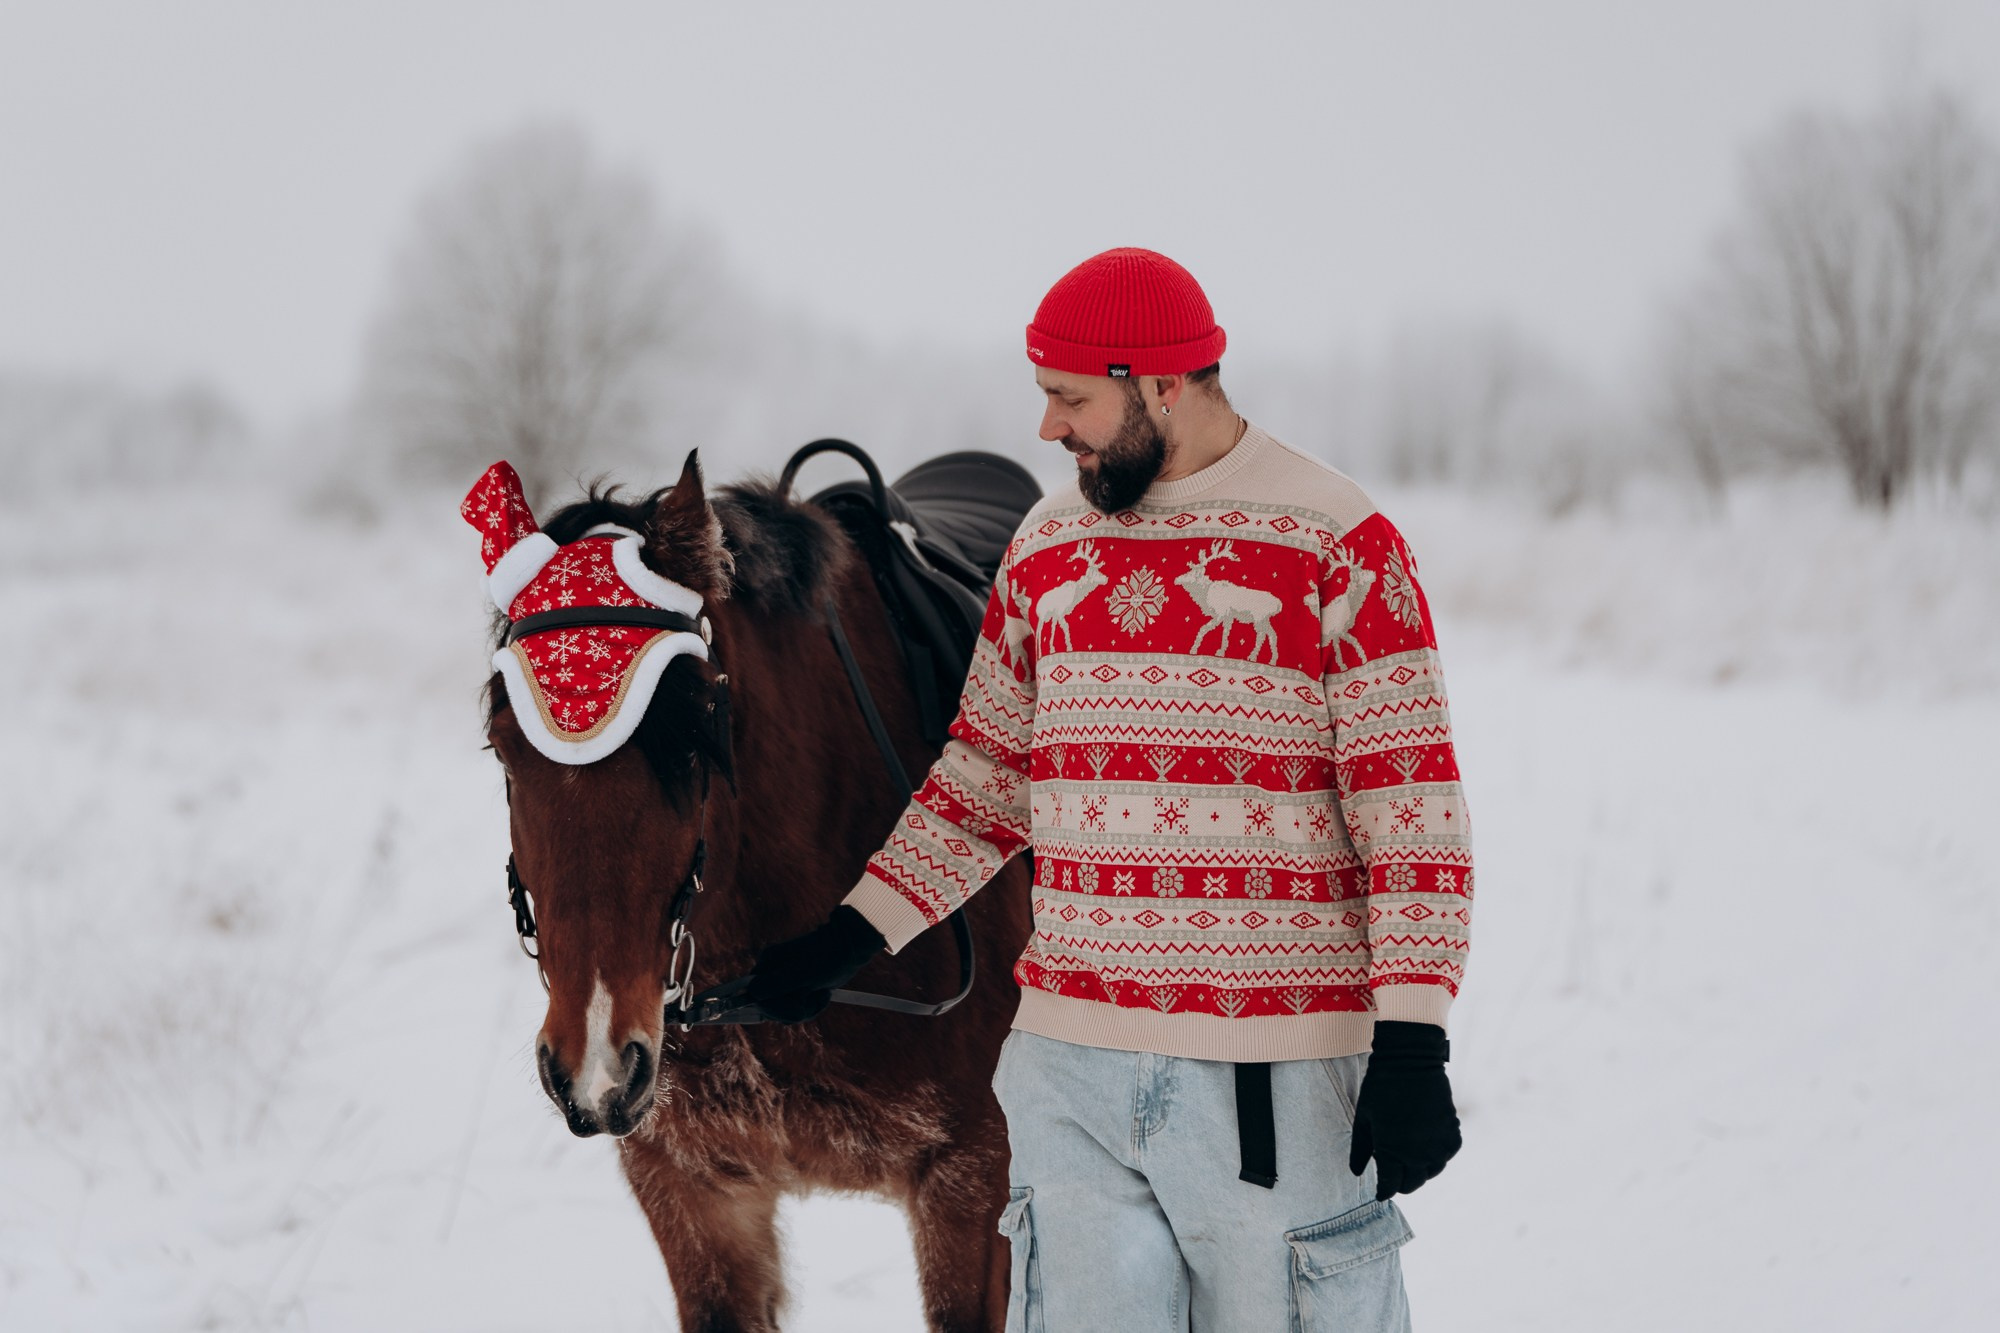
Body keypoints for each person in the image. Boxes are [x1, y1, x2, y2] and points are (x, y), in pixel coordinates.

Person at [745, 247, 1471, 1331]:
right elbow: (987, 775)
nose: (1048, 427)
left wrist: (1413, 1036)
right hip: (1069, 1075)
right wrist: (851, 936)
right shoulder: (1048, 544)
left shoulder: (1338, 541)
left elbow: (1409, 811)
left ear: (1160, 383)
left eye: (1070, 397)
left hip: (1271, 1080)